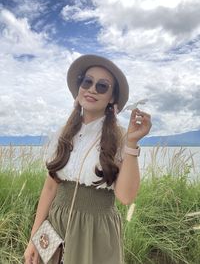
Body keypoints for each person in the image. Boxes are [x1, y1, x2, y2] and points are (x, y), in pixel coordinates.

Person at [24, 54, 152, 264]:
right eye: (87, 82)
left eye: (102, 86)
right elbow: (50, 188)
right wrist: (33, 238)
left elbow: (126, 197)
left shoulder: (119, 138)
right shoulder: (63, 133)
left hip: (95, 230)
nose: (92, 89)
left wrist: (132, 144)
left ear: (112, 98)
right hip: (56, 224)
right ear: (80, 87)